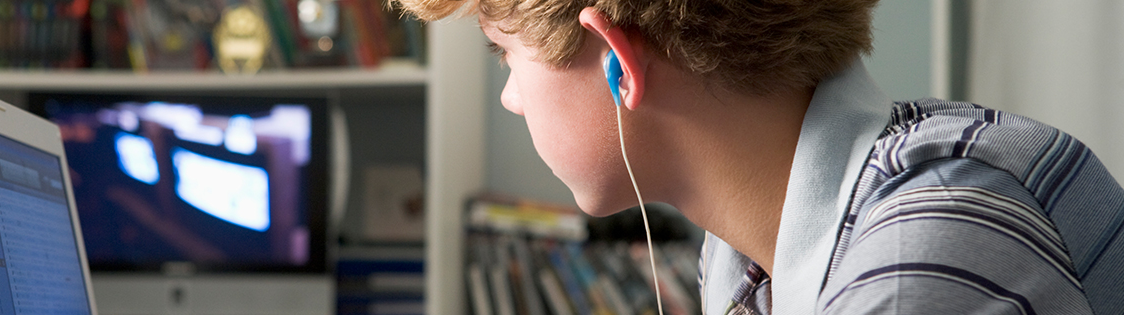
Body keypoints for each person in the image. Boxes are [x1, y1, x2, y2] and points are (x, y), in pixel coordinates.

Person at [393, 0, 1124, 313]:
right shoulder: (742, 258)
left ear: (621, 63)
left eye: (505, 58)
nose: (511, 99)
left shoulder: (922, 267)